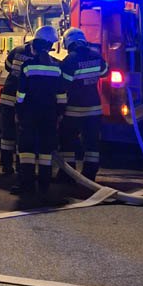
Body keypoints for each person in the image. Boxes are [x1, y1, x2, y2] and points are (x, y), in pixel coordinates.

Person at [10, 25, 67, 206]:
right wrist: (60, 113)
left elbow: (21, 93)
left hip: (29, 113)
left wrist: (18, 111)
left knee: (26, 150)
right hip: (49, 114)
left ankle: (26, 184)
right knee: (45, 151)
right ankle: (44, 184)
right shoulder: (57, 67)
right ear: (50, 45)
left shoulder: (28, 66)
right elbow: (61, 95)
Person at [59, 27, 109, 190]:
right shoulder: (95, 55)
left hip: (73, 109)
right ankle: (89, 175)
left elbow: (63, 85)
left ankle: (68, 174)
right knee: (92, 144)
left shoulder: (70, 60)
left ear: (68, 42)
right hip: (94, 108)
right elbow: (105, 71)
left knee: (68, 142)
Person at [0, 40, 36, 175]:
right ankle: (21, 166)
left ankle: (6, 164)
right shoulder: (37, 57)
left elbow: (8, 66)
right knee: (22, 134)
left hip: (7, 96)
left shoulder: (17, 50)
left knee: (7, 134)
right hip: (22, 102)